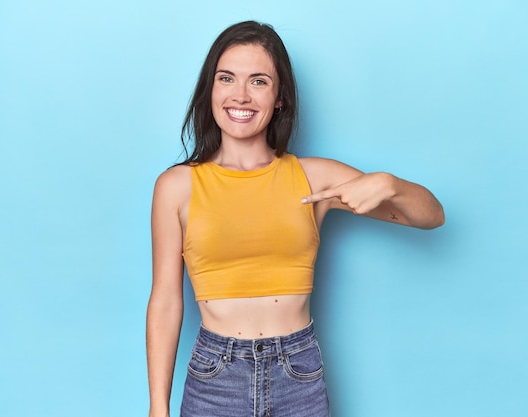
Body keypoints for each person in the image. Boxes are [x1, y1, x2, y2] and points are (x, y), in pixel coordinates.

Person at [146, 20, 444, 417]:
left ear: (280, 97)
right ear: (211, 89)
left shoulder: (313, 178)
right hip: (215, 377)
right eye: (226, 78)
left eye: (258, 82)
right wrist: (157, 407)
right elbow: (166, 299)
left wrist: (390, 185)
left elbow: (432, 216)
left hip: (297, 374)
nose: (240, 95)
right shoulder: (176, 186)